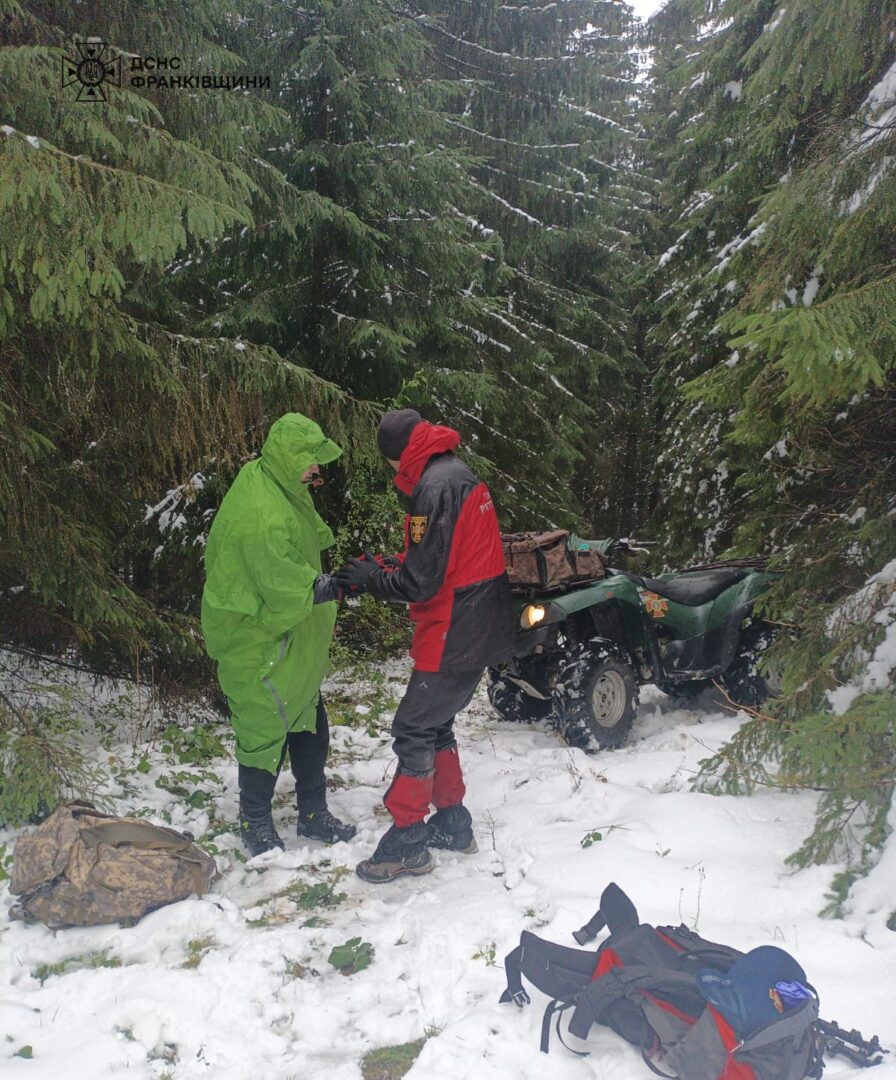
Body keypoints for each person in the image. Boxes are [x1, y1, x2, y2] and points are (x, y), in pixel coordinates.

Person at [334, 409, 515, 883]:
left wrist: (374, 578)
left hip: (456, 624)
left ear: (398, 458)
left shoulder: (433, 487)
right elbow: (440, 555)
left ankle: (407, 841)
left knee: (413, 728)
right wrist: (388, 563)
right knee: (436, 724)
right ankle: (453, 824)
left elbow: (420, 583)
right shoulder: (453, 473)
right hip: (476, 619)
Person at [201, 412, 356, 856]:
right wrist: (339, 583)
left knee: (309, 720)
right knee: (262, 729)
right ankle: (255, 822)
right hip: (258, 636)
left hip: (290, 633)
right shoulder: (261, 514)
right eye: (309, 459)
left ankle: (312, 814)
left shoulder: (274, 479)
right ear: (289, 456)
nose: (316, 469)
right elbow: (283, 580)